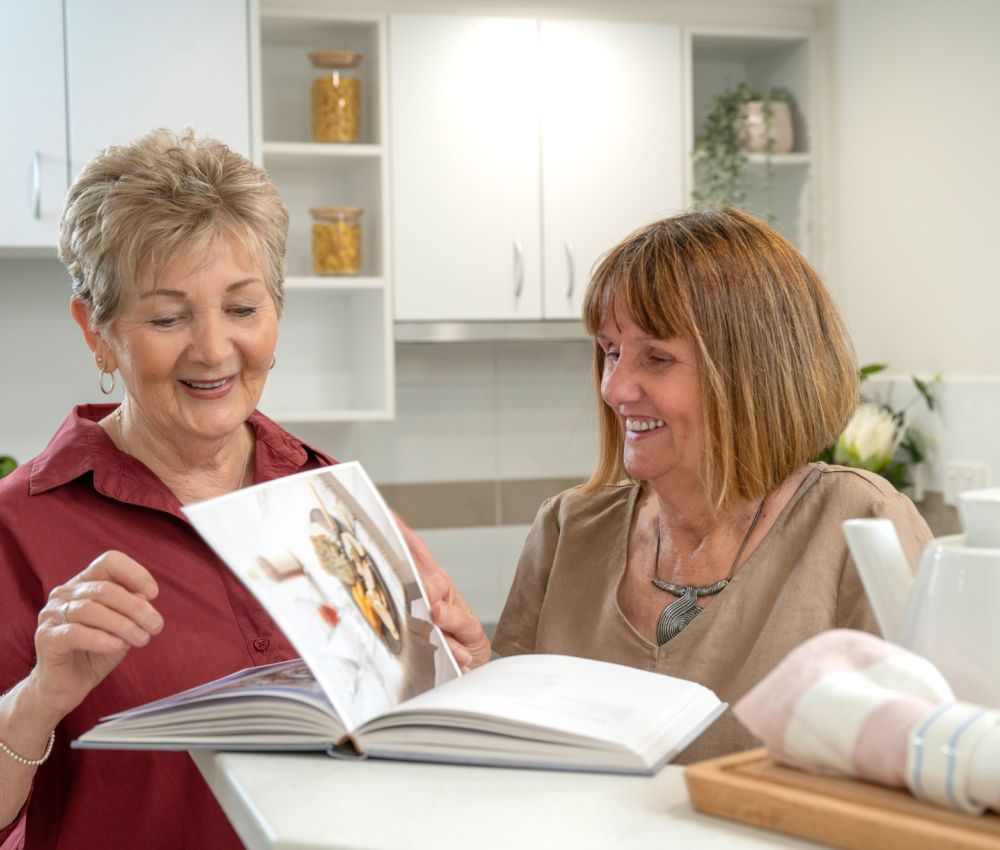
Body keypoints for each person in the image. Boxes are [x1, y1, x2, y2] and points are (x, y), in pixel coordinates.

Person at [0, 128, 485, 849]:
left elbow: (413, 758)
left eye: (243, 308)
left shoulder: (330, 495)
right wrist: (37, 701)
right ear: (95, 330)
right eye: (168, 317)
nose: (214, 349)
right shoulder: (23, 527)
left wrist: (456, 672)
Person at [489, 208, 933, 762]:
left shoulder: (862, 525)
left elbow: (922, 768)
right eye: (610, 351)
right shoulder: (567, 528)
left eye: (656, 357)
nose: (616, 387)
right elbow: (503, 760)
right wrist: (456, 674)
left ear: (753, 372)